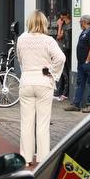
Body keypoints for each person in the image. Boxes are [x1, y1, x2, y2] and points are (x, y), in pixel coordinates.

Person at [16, 10, 65, 167]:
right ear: (44, 23)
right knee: (43, 123)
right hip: (43, 82)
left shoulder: (21, 39)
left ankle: (26, 158)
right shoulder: (48, 40)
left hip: (26, 81)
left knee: (26, 122)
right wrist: (52, 73)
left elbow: (20, 59)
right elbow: (61, 58)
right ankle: (43, 158)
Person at [66, 15, 90, 112]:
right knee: (80, 83)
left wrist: (88, 60)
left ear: (84, 22)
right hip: (81, 63)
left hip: (89, 64)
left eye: (80, 22)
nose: (80, 24)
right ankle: (76, 104)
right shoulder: (84, 32)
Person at [49, 11, 72, 100]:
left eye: (61, 16)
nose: (60, 18)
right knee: (63, 72)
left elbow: (59, 36)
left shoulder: (67, 26)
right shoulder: (67, 25)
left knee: (65, 72)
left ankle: (64, 93)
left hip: (65, 50)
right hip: (64, 49)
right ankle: (61, 91)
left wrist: (59, 25)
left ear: (63, 16)